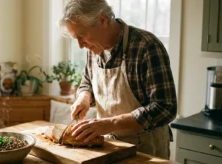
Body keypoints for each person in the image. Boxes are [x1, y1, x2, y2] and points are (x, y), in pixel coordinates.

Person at [59, 0, 177, 159]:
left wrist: (111, 123)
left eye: (82, 35)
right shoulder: (93, 48)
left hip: (146, 151)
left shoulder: (146, 46)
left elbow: (165, 108)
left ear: (102, 20)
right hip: (107, 146)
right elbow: (87, 81)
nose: (80, 45)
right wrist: (84, 98)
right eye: (76, 38)